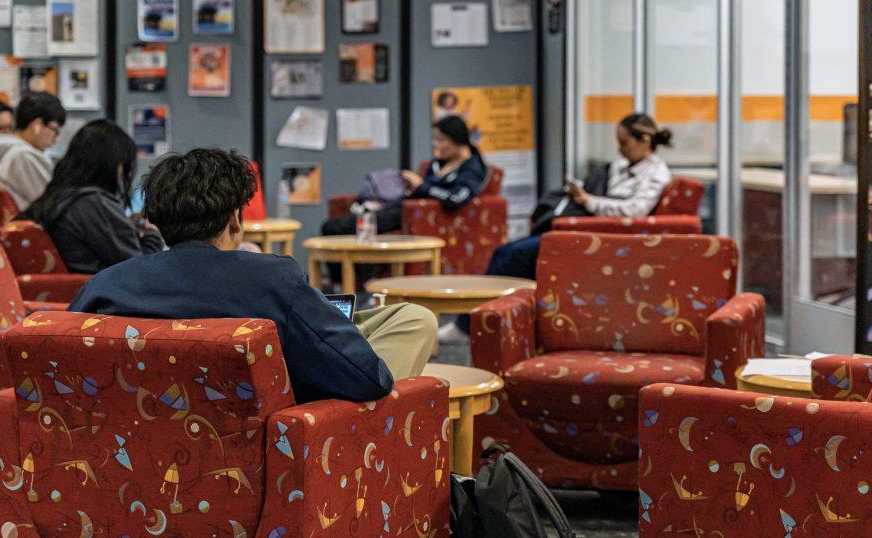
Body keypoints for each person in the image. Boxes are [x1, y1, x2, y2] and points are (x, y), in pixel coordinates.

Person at [69, 148, 437, 404]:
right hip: (284, 436)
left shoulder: (106, 285)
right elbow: (369, 380)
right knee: (416, 320)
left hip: (140, 447)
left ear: (157, 221)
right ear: (235, 219)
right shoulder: (272, 279)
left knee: (399, 318)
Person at [484, 112, 673, 283]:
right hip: (584, 228)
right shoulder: (621, 166)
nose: (620, 150)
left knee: (514, 255)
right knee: (504, 251)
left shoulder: (656, 174)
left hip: (597, 234)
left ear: (645, 141)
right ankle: (478, 318)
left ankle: (475, 319)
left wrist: (589, 201)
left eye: (624, 143)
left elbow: (636, 210)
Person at [19, 119, 164, 274]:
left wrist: (126, 226)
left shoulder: (59, 196)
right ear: (114, 165)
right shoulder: (94, 203)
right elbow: (140, 271)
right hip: (102, 292)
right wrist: (152, 233)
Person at [321, 115, 488, 239]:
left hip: (412, 215)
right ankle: (342, 282)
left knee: (334, 228)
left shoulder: (472, 168)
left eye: (441, 140)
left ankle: (342, 284)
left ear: (457, 140)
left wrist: (421, 186)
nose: (436, 145)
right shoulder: (438, 164)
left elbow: (455, 198)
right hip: (399, 207)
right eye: (434, 140)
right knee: (335, 224)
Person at [0, 92, 65, 210]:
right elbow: (54, 205)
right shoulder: (23, 157)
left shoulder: (0, 151)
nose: (55, 138)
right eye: (54, 129)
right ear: (37, 124)